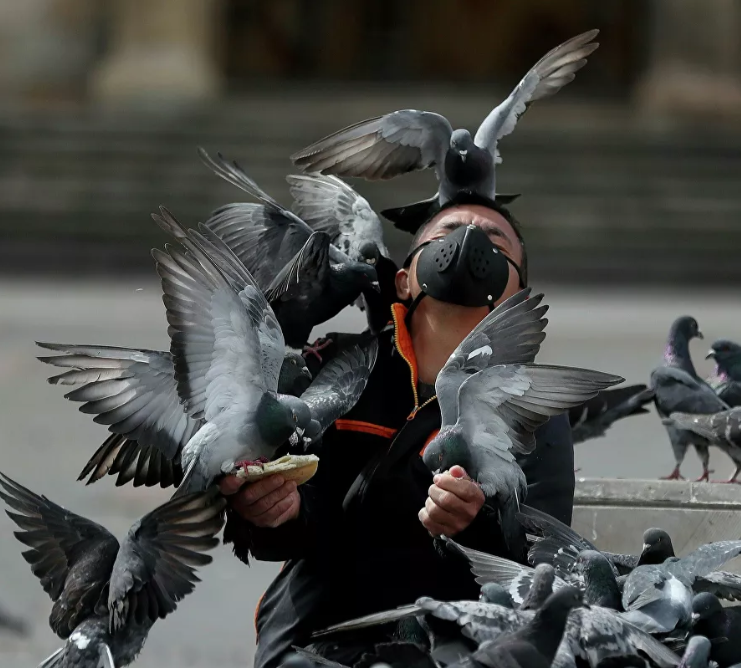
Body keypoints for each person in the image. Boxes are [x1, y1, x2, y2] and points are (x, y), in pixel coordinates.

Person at [218, 194, 576, 667]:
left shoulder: (535, 408)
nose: (469, 240)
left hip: (450, 640)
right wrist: (273, 508)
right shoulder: (331, 363)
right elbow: (288, 529)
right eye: (447, 233)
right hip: (320, 632)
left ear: (517, 295)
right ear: (403, 280)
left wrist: (474, 523)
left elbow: (540, 555)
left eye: (495, 241)